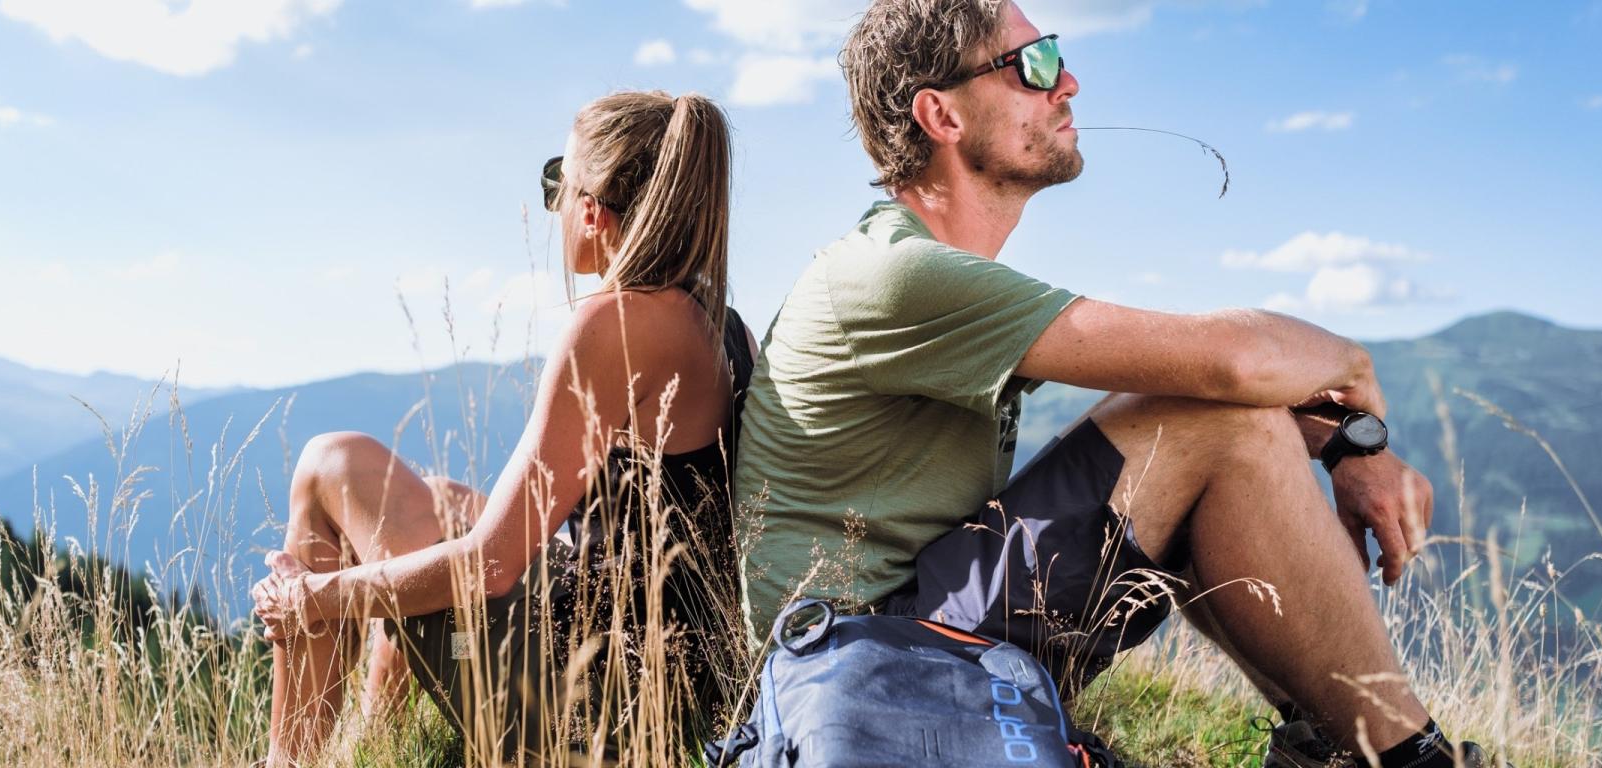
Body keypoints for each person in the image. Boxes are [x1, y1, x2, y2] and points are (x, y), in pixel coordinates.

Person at [734, 3, 1506, 767]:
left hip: (895, 635)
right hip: (859, 664)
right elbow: (1228, 364)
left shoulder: (929, 276)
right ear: (941, 114)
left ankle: (1341, 746)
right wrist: (1355, 367)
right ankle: (1411, 760)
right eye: (1032, 66)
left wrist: (1346, 443)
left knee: (1210, 417)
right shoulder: (896, 276)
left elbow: (1209, 377)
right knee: (1221, 423)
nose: (1067, 82)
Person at [251, 90, 754, 766]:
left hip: (598, 706)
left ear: (592, 210)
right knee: (440, 498)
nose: (553, 209)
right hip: (663, 677)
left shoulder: (615, 323)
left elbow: (490, 566)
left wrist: (314, 598)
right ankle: (377, 749)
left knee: (328, 463)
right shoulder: (719, 320)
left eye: (559, 180)